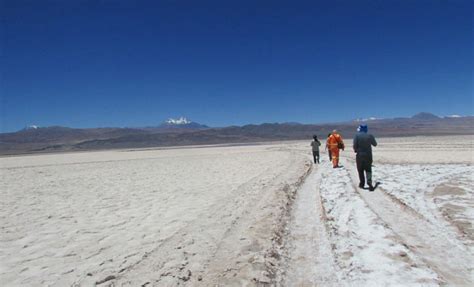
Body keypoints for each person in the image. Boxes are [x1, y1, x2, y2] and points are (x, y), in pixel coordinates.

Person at [353, 124, 377, 191]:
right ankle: (369, 183)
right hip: (368, 156)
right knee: (368, 170)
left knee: (360, 170)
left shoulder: (357, 136)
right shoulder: (370, 135)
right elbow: (375, 144)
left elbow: (355, 146)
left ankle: (362, 184)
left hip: (360, 156)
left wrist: (356, 150)